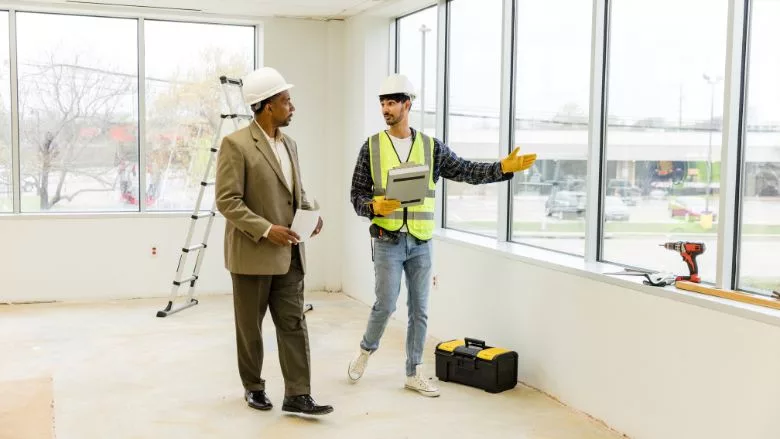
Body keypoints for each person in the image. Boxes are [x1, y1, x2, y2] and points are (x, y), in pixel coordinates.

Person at [347, 73, 537, 397]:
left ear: (407, 104)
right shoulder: (372, 147)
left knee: (419, 310)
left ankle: (413, 371)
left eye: (391, 103)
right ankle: (366, 350)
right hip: (387, 240)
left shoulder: (430, 148)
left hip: (420, 242)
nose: (385, 109)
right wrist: (372, 205)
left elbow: (466, 170)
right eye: (382, 103)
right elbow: (356, 195)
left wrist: (503, 168)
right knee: (386, 304)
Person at [215, 67, 332, 415]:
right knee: (250, 329)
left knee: (294, 323)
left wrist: (312, 214)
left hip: (291, 254)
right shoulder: (235, 145)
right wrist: (268, 229)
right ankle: (253, 386)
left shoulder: (290, 145)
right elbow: (227, 200)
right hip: (252, 254)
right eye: (286, 101)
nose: (292, 106)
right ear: (267, 106)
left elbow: (295, 192)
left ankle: (298, 394)